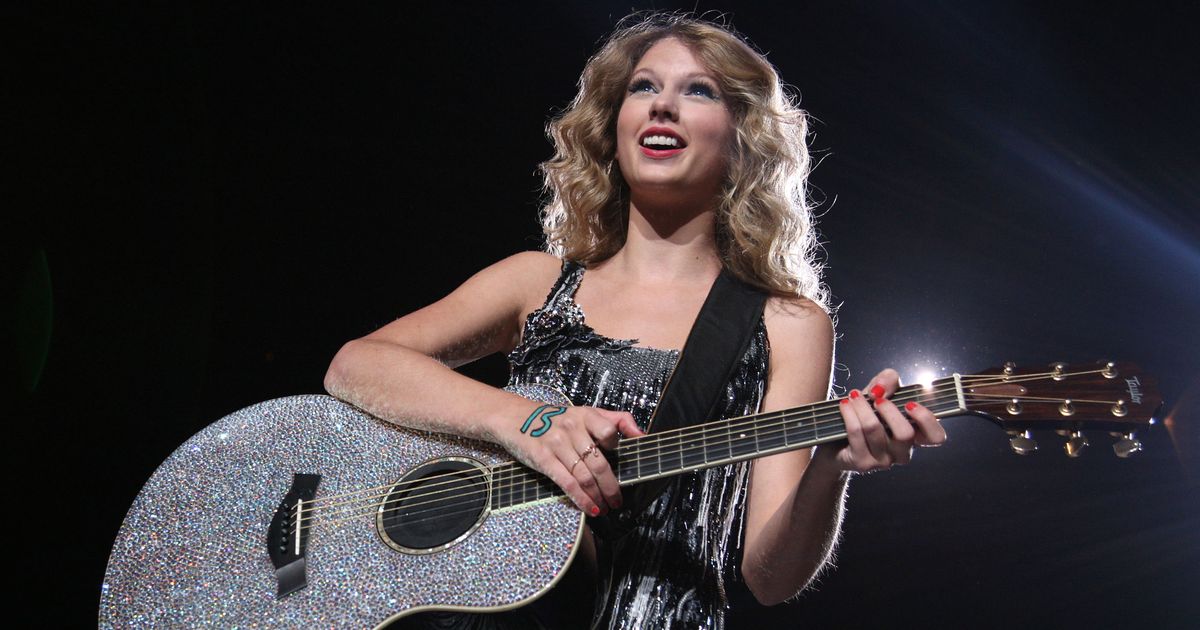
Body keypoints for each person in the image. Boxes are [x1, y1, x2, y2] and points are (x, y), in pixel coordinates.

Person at [324, 13, 946, 630]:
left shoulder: (787, 322)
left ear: (742, 136)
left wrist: (832, 468)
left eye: (698, 91)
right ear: (612, 125)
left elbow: (770, 576)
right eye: (643, 87)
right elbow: (355, 365)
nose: (662, 107)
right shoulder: (536, 282)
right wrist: (525, 421)